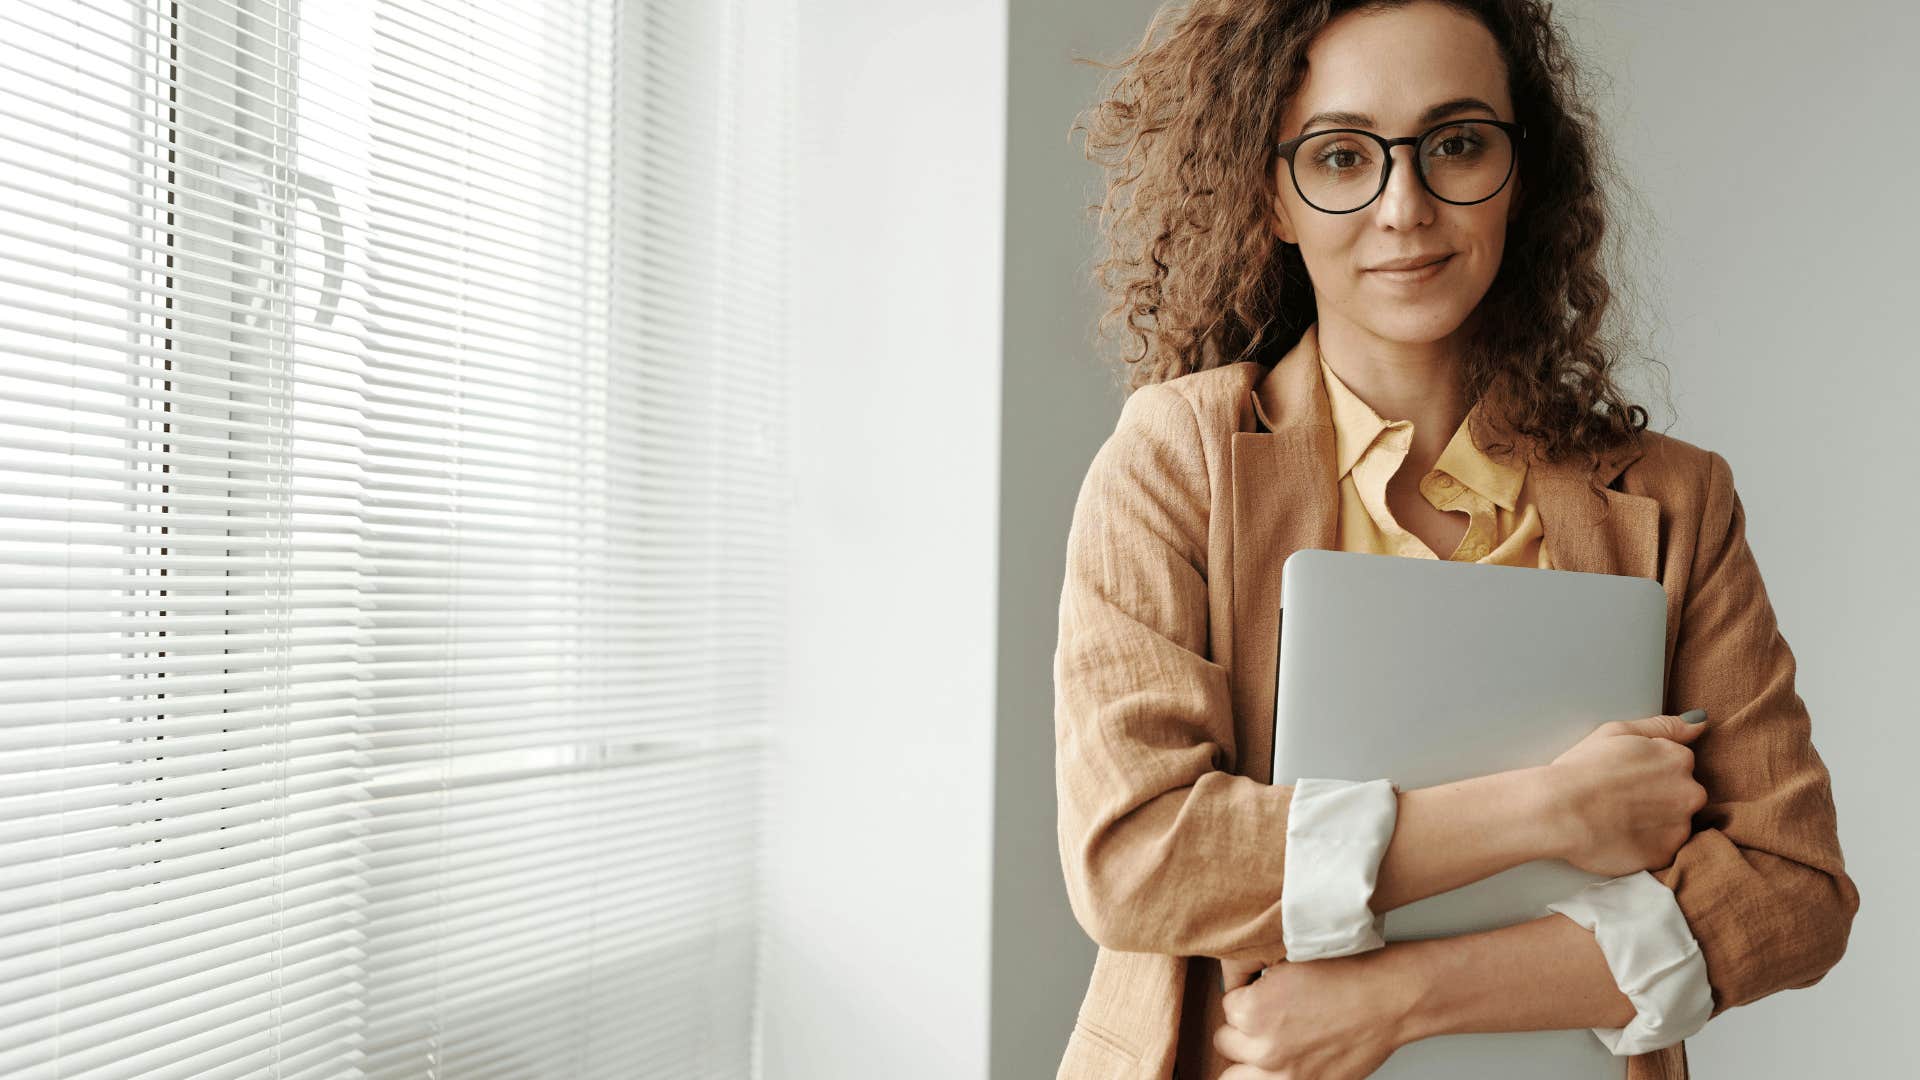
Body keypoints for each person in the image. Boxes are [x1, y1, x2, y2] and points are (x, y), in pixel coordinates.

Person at [1053, 2, 1861, 1079]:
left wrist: (1397, 1002)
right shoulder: (1177, 461)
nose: (1406, 208)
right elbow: (1140, 858)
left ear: (1523, 175)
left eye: (1458, 144)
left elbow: (1793, 889)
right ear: (1273, 196)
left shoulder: (1677, 500)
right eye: (1342, 156)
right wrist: (1550, 810)